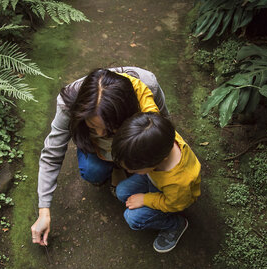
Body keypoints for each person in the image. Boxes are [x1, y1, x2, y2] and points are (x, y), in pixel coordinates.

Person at [32, 67, 169, 246]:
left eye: (110, 128)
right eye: (92, 127)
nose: (101, 134)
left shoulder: (148, 84)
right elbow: (51, 154)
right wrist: (44, 210)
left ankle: (118, 165)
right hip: (99, 149)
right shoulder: (67, 104)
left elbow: (163, 124)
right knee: (92, 171)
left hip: (128, 141)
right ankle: (112, 166)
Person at [111, 112, 201, 253]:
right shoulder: (156, 129)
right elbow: (145, 97)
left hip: (173, 199)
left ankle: (175, 225)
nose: (129, 170)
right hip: (154, 177)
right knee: (122, 191)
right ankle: (149, 194)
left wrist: (146, 199)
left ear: (159, 160)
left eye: (135, 169)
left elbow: (174, 204)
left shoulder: (179, 182)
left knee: (132, 218)